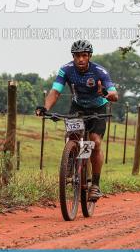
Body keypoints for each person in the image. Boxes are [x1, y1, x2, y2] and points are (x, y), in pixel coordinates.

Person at [36, 40, 118, 201]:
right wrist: (46, 107)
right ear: (73, 57)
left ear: (89, 57)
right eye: (77, 56)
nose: (81, 59)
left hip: (98, 108)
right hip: (78, 107)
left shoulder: (99, 71)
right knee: (73, 135)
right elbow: (56, 91)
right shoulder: (66, 70)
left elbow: (114, 94)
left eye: (84, 56)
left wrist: (107, 94)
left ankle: (95, 184)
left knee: (95, 142)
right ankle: (70, 160)